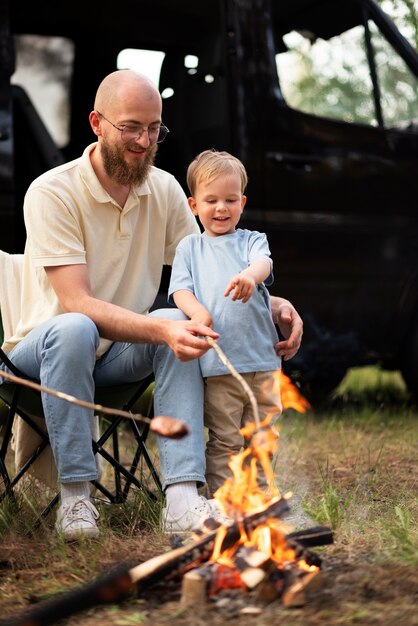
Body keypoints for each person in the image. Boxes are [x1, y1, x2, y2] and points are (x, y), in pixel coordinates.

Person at [0, 69, 303, 539]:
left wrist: (274, 304)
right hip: (41, 355)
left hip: (117, 357)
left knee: (176, 317)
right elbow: (75, 301)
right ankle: (77, 500)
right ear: (97, 123)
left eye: (154, 128)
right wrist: (161, 330)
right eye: (131, 127)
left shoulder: (162, 190)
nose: (144, 140)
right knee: (78, 326)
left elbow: (210, 274)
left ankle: (182, 499)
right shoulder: (52, 191)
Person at [169, 149, 282, 497]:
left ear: (242, 202)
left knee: (262, 436)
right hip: (220, 366)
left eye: (230, 200)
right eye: (212, 200)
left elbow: (263, 263)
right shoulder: (190, 248)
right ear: (193, 205)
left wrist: (249, 276)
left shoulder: (251, 241)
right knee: (225, 439)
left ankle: (260, 499)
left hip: (262, 362)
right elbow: (179, 290)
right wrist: (197, 312)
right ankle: (223, 500)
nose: (221, 208)